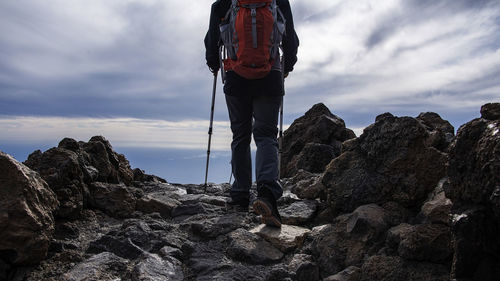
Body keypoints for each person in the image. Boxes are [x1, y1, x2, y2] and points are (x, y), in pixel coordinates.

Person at [204, 0, 299, 227]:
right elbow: (291, 41)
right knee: (266, 135)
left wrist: (213, 64)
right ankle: (267, 193)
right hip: (271, 76)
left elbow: (211, 41)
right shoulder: (278, 2)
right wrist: (287, 67)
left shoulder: (223, 4)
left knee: (240, 135)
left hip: (236, 77)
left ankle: (240, 195)